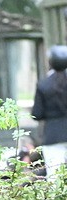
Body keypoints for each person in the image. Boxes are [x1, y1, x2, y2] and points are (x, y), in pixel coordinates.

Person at [32, 45, 67, 181]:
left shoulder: (43, 85)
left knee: (54, 177)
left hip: (52, 136)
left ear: (50, 62)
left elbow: (37, 114)